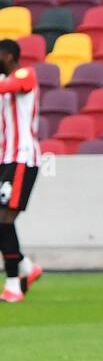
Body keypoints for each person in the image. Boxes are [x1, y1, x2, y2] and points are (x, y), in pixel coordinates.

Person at [0, 39, 44, 303]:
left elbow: (17, 85)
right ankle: (27, 268)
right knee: (2, 220)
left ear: (8, 56)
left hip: (23, 159)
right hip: (5, 160)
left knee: (4, 219)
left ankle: (14, 285)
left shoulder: (25, 74)